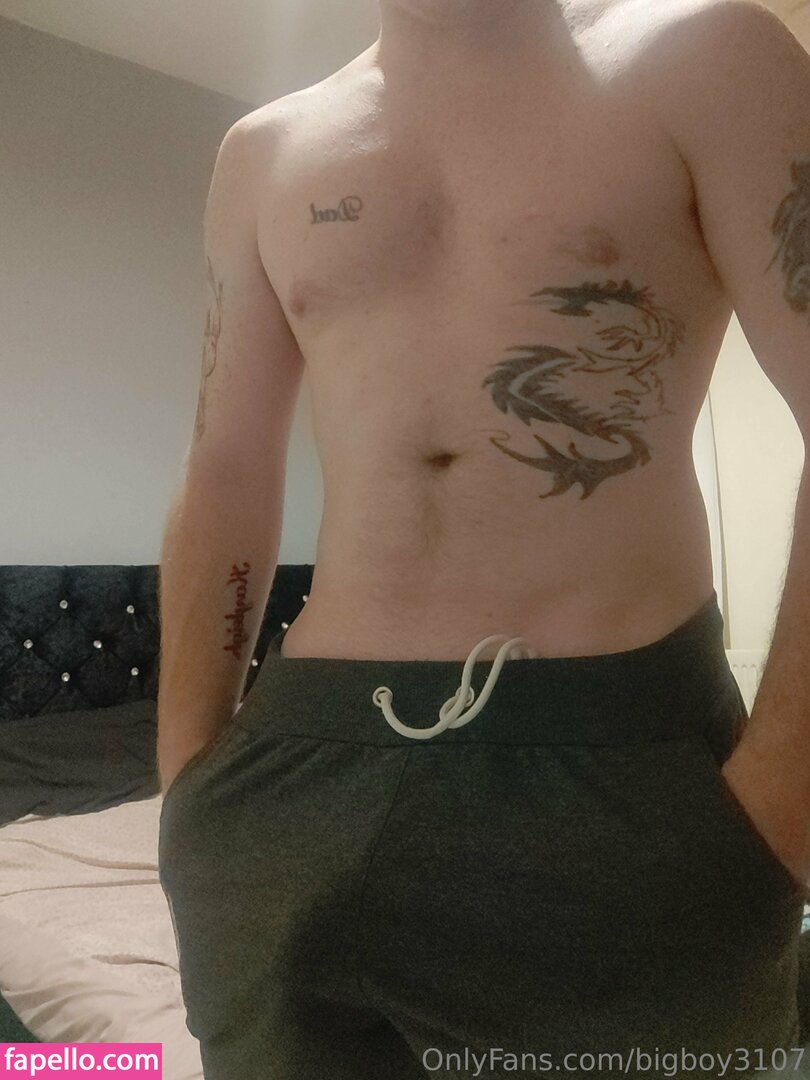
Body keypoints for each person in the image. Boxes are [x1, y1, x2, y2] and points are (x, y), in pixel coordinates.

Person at [156, 1, 810, 1076]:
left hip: (626, 757)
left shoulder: (702, 55)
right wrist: (187, 780)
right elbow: (224, 470)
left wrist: (783, 808)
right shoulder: (263, 153)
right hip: (290, 772)